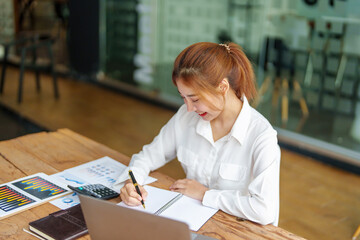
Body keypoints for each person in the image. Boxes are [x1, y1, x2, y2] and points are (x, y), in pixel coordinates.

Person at [114, 42, 281, 226]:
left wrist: (205, 194)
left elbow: (264, 210)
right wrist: (131, 183)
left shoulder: (261, 136)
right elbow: (148, 156)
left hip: (237, 229)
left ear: (222, 87)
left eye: (195, 99)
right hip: (194, 223)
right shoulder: (186, 117)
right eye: (183, 98)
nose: (188, 108)